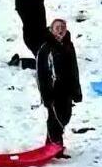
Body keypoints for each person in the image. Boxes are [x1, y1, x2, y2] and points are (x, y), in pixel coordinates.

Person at [9, 0, 78, 69]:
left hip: (39, 34)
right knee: (45, 65)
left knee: (53, 58)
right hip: (34, 38)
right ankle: (20, 62)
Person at [35, 19, 82, 151]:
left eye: (63, 27)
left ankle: (53, 144)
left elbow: (74, 69)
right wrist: (45, 96)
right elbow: (41, 75)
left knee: (65, 116)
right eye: (57, 28)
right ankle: (54, 146)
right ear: (51, 30)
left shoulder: (68, 46)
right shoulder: (46, 49)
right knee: (54, 118)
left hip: (67, 88)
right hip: (53, 90)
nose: (60, 30)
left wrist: (77, 91)